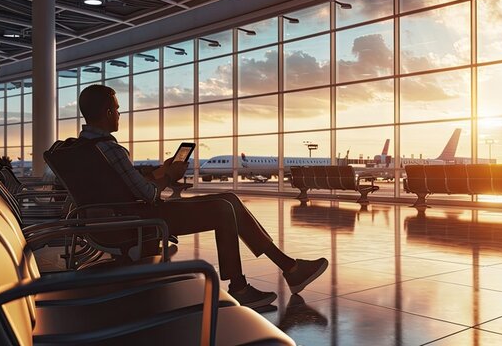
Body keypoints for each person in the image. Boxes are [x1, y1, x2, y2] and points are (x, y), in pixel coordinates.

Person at [76, 84, 328, 308]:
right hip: (140, 220)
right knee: (222, 208)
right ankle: (246, 285)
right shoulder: (110, 149)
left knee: (228, 198)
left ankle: (289, 267)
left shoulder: (79, 149)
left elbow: (121, 186)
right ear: (108, 113)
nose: (120, 114)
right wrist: (170, 176)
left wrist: (161, 170)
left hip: (116, 218)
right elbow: (149, 193)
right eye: (118, 109)